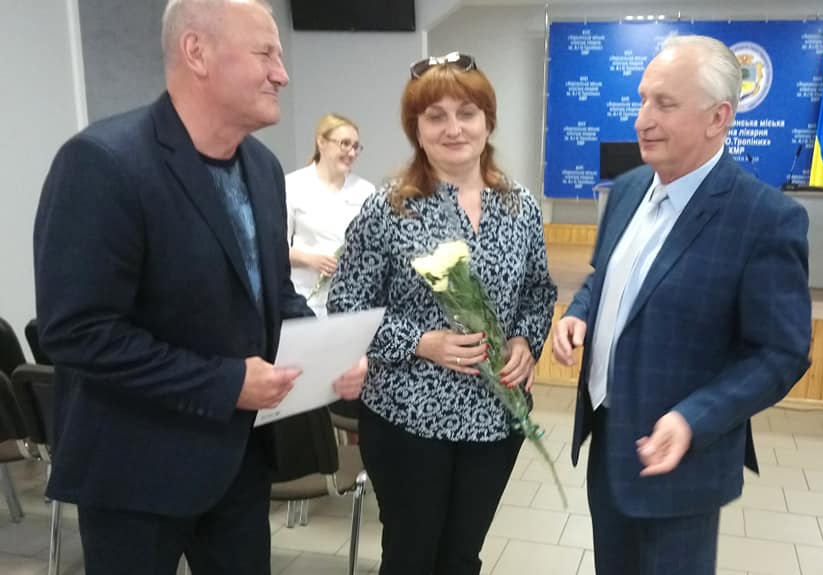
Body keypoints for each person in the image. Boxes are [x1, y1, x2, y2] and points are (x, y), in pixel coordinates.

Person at [32, 1, 366, 573]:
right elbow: (77, 331)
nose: (282, 74)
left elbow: (273, 293)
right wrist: (225, 382)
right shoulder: (104, 162)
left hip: (237, 465)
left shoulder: (261, 168)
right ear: (197, 52)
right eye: (265, 54)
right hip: (134, 474)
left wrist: (326, 353)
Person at [551, 35, 812, 574]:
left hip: (682, 463)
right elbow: (606, 278)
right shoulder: (627, 189)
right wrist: (579, 312)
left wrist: (694, 418)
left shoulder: (763, 219)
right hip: (607, 445)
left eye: (664, 104)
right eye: (643, 99)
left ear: (718, 117)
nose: (642, 120)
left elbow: (780, 354)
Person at [328, 52, 558, 575]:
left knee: (461, 558)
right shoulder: (388, 207)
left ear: (488, 121)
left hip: (494, 417)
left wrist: (525, 342)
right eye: (435, 116)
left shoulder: (519, 206)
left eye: (466, 113)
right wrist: (420, 342)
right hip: (408, 416)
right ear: (417, 129)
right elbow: (346, 305)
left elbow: (538, 292)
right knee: (410, 557)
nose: (453, 128)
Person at [286, 114, 375, 316]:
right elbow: (276, 249)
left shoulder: (365, 191)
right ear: (321, 142)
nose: (351, 152)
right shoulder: (293, 185)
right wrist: (311, 260)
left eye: (356, 147)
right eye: (345, 144)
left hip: (352, 300)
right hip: (306, 299)